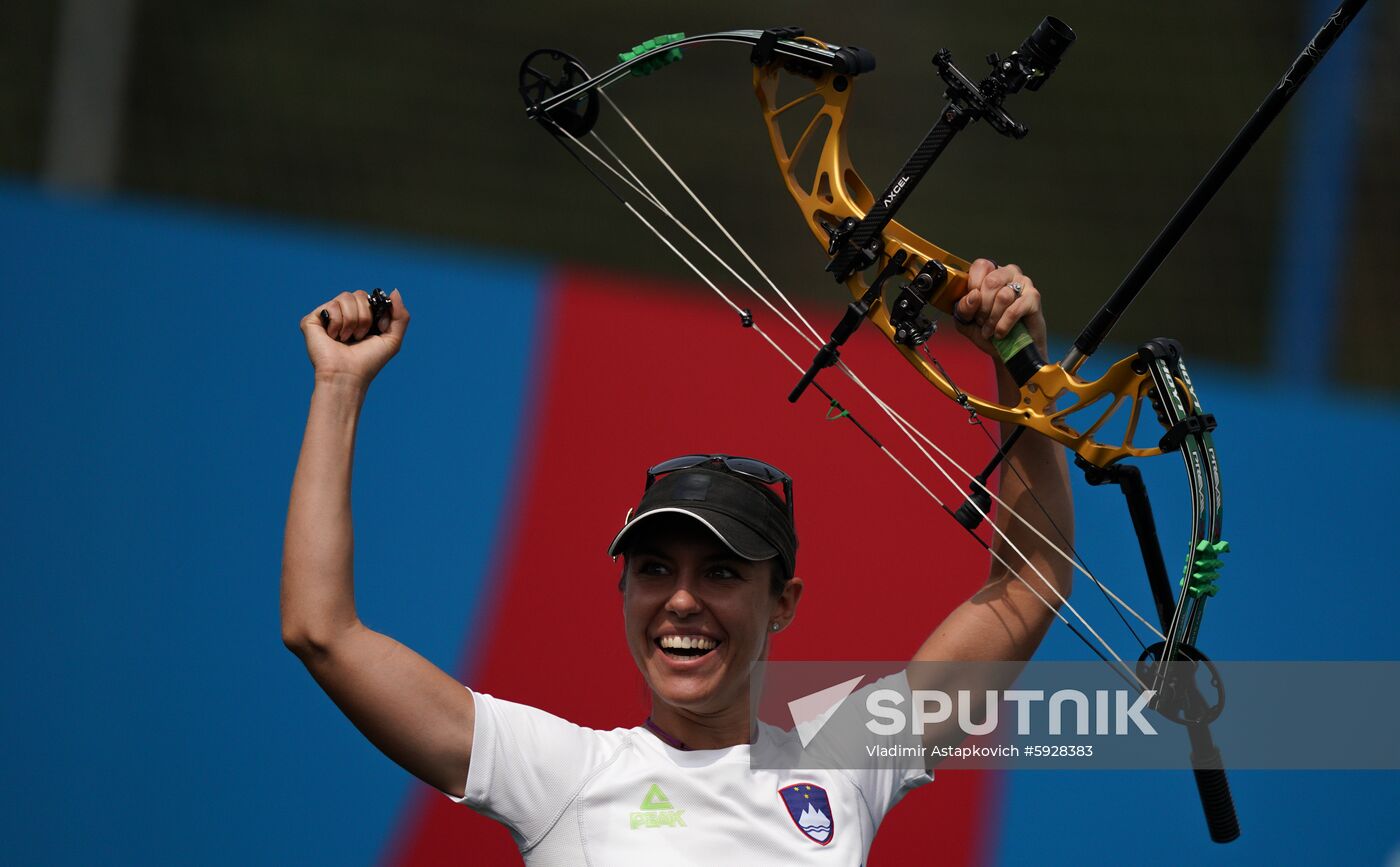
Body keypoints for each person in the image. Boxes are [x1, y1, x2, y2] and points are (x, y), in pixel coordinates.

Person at [281, 259, 1073, 864]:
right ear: (624, 587)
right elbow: (324, 632)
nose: (683, 600)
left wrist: (1019, 366)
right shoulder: (564, 773)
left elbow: (1029, 584)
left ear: (784, 601)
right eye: (655, 568)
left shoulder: (847, 759)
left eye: (723, 571)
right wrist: (338, 384)